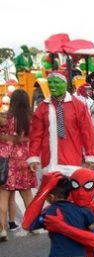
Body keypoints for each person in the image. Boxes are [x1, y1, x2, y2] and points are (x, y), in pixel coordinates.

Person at [27, 72, 94, 175]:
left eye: (56, 82)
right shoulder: (42, 107)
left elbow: (88, 132)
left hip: (72, 162)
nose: (52, 86)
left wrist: (90, 155)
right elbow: (36, 134)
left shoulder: (78, 106)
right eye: (50, 83)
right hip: (50, 163)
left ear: (64, 84)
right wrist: (34, 156)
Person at [0, 89, 37, 241]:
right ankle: (33, 226)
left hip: (6, 160)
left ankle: (2, 230)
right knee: (28, 195)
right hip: (24, 161)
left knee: (3, 196)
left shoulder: (5, 118)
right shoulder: (31, 119)